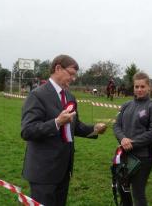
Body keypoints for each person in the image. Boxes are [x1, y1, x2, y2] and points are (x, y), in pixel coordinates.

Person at [21, 54, 107, 206]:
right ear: (58, 68)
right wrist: (56, 122)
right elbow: (27, 130)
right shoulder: (37, 95)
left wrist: (94, 129)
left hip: (63, 169)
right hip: (43, 171)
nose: (73, 79)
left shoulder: (70, 96)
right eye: (71, 74)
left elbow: (75, 126)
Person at [113, 72, 152, 206]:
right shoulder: (126, 105)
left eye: (142, 86)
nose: (139, 90)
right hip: (125, 154)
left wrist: (132, 143)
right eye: (136, 87)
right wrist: (123, 139)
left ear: (149, 87)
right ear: (133, 87)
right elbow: (116, 125)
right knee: (121, 188)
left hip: (143, 157)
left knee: (138, 193)